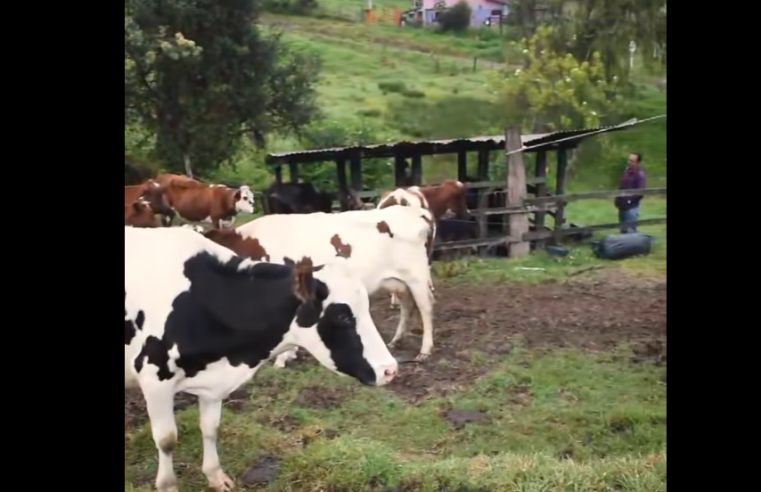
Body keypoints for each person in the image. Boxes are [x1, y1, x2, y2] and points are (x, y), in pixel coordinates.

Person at [615, 152, 647, 233]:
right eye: (629, 160)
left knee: (631, 230)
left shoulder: (640, 175)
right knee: (623, 228)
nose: (629, 162)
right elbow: (622, 186)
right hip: (622, 205)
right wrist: (618, 199)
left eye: (632, 161)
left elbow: (640, 192)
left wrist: (630, 201)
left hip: (631, 207)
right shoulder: (626, 171)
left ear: (637, 162)